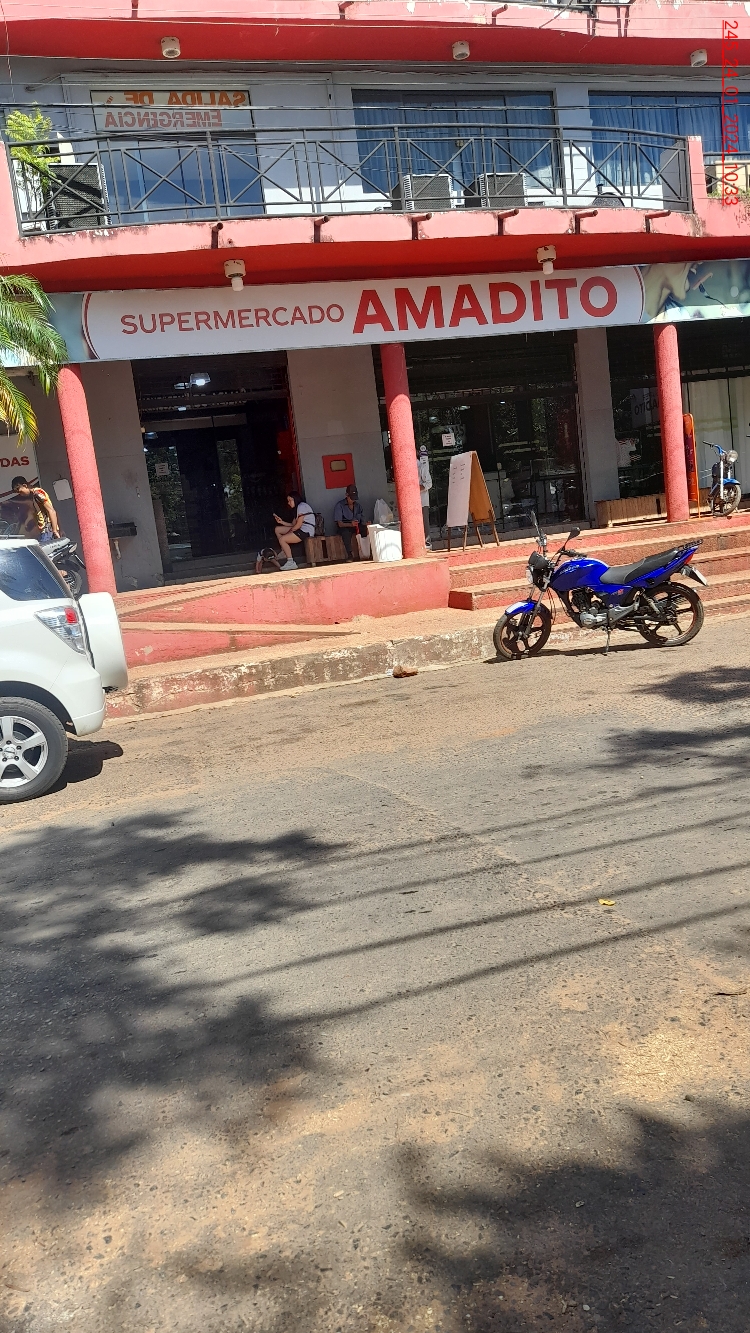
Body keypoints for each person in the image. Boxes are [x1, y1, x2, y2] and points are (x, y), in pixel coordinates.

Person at [11, 475, 61, 545]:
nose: (21, 494)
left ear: (25, 486)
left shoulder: (38, 493)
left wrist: (55, 530)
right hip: (44, 531)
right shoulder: (34, 495)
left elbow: (51, 511)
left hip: (48, 530)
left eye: (20, 492)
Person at [273, 491, 315, 570]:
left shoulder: (302, 506)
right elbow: (293, 524)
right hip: (301, 529)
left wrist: (288, 534)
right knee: (277, 529)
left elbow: (297, 525)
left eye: (290, 500)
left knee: (282, 539)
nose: (288, 503)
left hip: (306, 531)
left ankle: (291, 562)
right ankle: (284, 551)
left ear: (295, 499)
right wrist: (281, 522)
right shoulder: (298, 508)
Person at [333, 484, 365, 559]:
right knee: (345, 533)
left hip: (356, 526)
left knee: (365, 529)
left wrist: (366, 524)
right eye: (351, 498)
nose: (353, 500)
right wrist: (351, 524)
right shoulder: (339, 505)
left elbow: (362, 519)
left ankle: (365, 551)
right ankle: (349, 554)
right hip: (345, 527)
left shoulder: (358, 506)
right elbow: (340, 524)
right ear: (346, 495)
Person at [418, 445, 432, 548]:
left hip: (422, 500)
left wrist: (416, 488)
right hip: (411, 501)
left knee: (424, 522)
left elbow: (429, 483)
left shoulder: (421, 466)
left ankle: (427, 544)